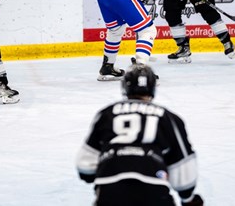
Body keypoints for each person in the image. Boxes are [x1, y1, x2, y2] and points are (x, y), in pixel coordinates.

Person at [76, 64, 204, 206]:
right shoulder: (169, 118)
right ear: (153, 88)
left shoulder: (106, 114)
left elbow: (85, 168)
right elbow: (184, 174)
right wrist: (188, 199)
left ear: (125, 87)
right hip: (153, 190)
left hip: (110, 191)